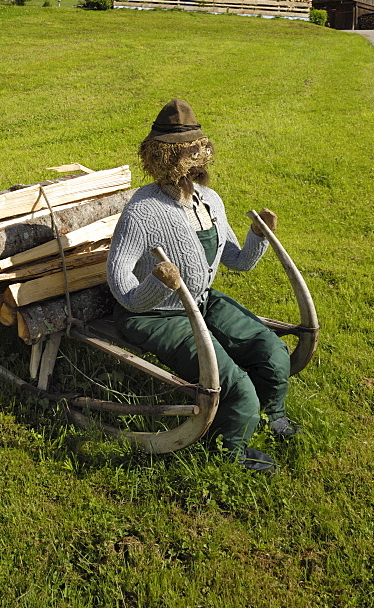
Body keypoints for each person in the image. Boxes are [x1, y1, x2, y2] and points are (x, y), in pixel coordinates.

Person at [107, 98, 299, 472]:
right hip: (154, 316)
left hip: (201, 301)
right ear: (165, 157)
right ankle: (229, 450)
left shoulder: (209, 201)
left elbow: (237, 261)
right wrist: (160, 284)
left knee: (273, 351)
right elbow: (122, 287)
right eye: (187, 150)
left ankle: (268, 413)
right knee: (235, 384)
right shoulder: (143, 210)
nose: (197, 156)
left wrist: (257, 235)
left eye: (199, 147)